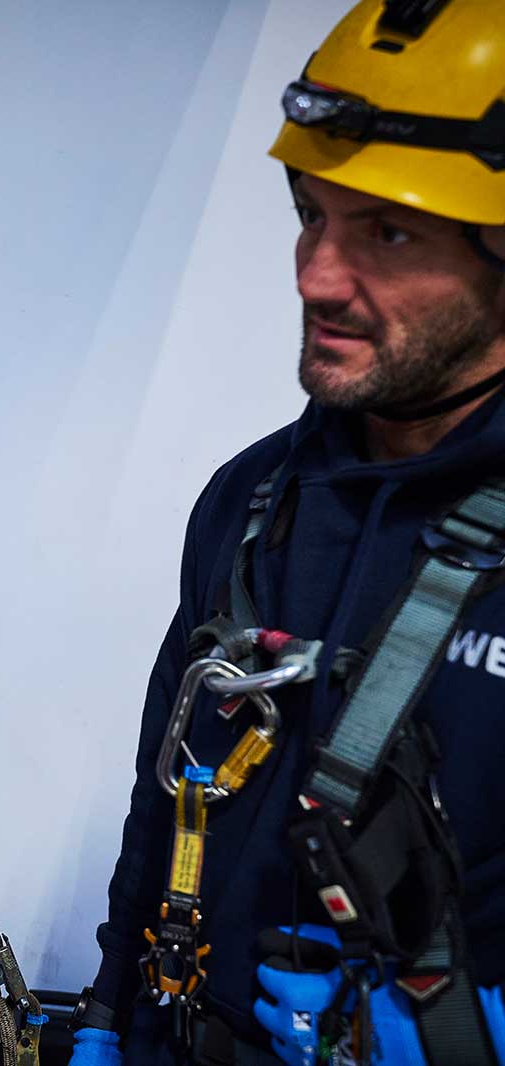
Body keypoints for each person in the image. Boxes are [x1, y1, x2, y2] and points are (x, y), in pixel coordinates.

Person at [72, 2, 505, 1063]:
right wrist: (104, 1016)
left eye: (387, 233)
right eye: (313, 215)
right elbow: (161, 796)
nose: (315, 274)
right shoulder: (255, 498)